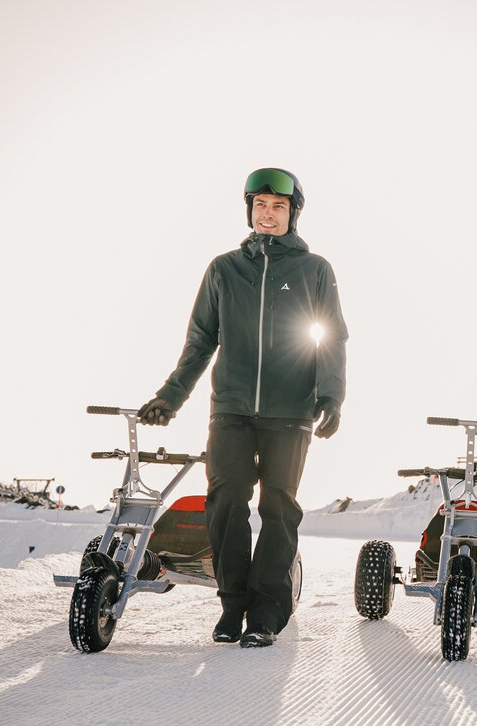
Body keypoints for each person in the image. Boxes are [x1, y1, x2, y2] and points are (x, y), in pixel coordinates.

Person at [138, 168, 348, 648]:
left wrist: (331, 395)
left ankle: (267, 611)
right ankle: (233, 604)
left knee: (278, 508)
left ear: (293, 213)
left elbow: (331, 337)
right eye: (260, 206)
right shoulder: (224, 269)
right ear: (249, 210)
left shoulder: (315, 270)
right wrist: (170, 396)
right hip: (230, 408)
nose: (267, 214)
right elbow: (199, 342)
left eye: (278, 206)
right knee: (226, 502)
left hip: (290, 412)